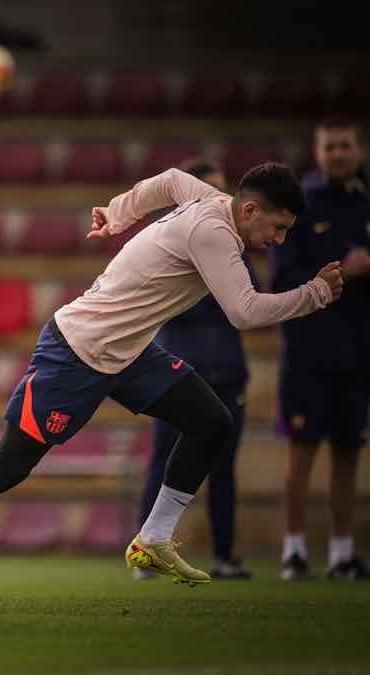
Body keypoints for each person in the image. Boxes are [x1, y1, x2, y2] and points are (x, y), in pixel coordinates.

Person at [0, 163, 343, 599]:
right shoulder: (213, 231)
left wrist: (118, 212)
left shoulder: (208, 199)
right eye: (277, 227)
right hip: (78, 350)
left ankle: (153, 539)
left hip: (129, 353)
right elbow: (244, 311)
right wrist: (315, 294)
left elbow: (171, 180)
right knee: (11, 463)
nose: (278, 239)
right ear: (250, 209)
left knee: (212, 422)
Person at [272, 118, 370, 582]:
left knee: (349, 452)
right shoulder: (298, 210)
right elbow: (280, 279)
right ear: (318, 151)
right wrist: (342, 270)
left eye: (346, 145)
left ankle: (342, 554)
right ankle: (293, 552)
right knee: (301, 451)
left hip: (359, 348)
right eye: (330, 147)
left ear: (360, 151)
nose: (338, 154)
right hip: (308, 350)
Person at [134, 159, 254, 581]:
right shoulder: (171, 240)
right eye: (212, 190)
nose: (221, 201)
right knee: (163, 461)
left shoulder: (235, 244)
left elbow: (246, 301)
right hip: (176, 371)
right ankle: (146, 552)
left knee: (223, 466)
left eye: (226, 191)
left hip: (226, 371)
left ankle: (223, 554)